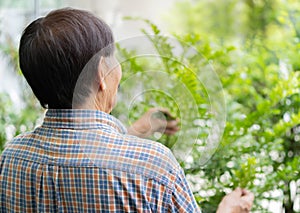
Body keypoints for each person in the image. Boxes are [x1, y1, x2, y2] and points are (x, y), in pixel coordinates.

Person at [0, 8, 254, 212]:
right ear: (101, 72)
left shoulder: (12, 157)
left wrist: (135, 131)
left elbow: (79, 154)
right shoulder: (155, 166)